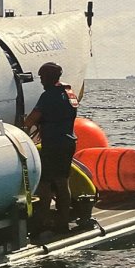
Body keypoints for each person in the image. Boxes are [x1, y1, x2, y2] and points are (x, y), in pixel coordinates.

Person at [22, 62, 79, 235]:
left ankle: (44, 222)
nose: (41, 81)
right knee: (62, 181)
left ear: (47, 78)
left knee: (45, 183)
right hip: (68, 142)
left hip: (53, 144)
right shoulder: (70, 94)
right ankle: (63, 222)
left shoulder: (48, 96)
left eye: (42, 77)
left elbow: (30, 121)